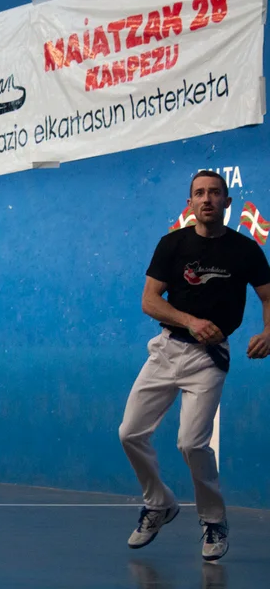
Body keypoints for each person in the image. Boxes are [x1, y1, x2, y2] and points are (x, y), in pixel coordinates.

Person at [119, 170, 270, 561]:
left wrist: (269, 331)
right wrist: (189, 321)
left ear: (227, 202)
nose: (207, 199)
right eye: (199, 193)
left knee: (191, 443)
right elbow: (150, 301)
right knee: (130, 432)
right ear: (190, 203)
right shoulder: (172, 244)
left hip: (208, 359)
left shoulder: (245, 250)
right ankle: (159, 503)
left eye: (215, 193)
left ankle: (214, 520)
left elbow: (268, 295)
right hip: (166, 350)